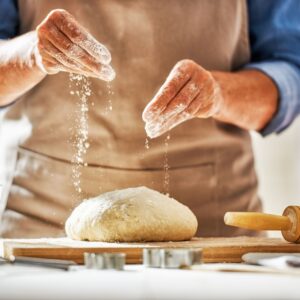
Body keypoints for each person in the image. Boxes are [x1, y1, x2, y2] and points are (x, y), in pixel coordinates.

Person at [0, 0, 299, 238]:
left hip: (212, 232)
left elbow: (290, 71)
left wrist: (220, 93)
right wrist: (31, 55)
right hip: (42, 222)